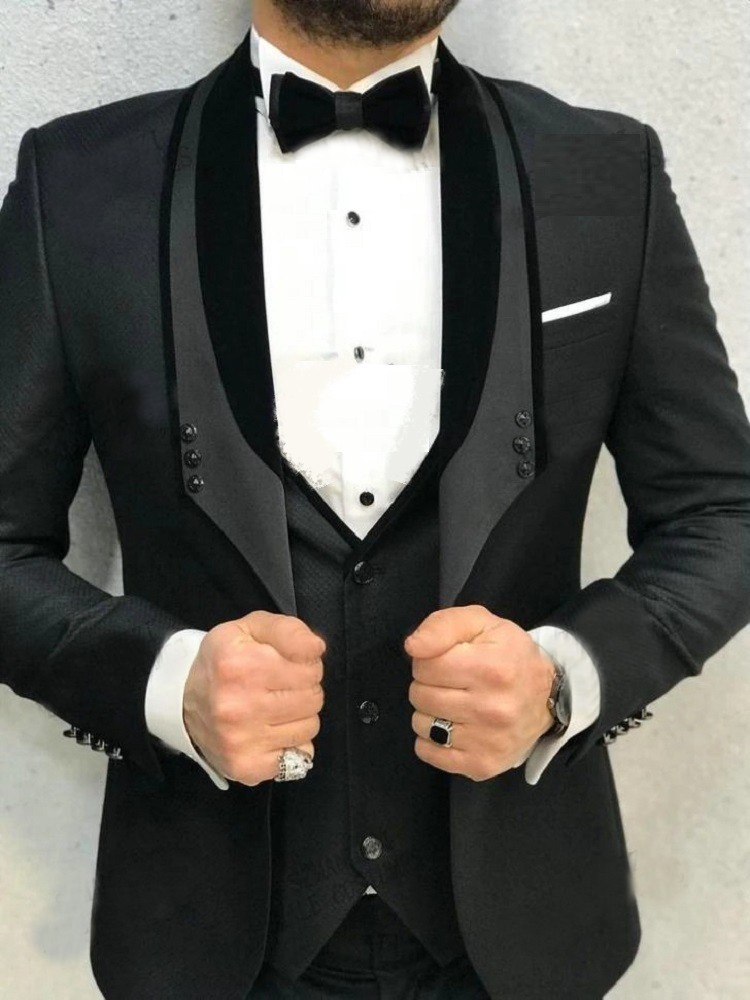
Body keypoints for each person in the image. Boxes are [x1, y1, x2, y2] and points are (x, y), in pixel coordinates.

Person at [1, 1, 749, 997]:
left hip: (523, 930)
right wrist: (164, 684)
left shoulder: (606, 172)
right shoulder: (77, 183)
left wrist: (564, 677)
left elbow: (721, 511)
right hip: (207, 933)